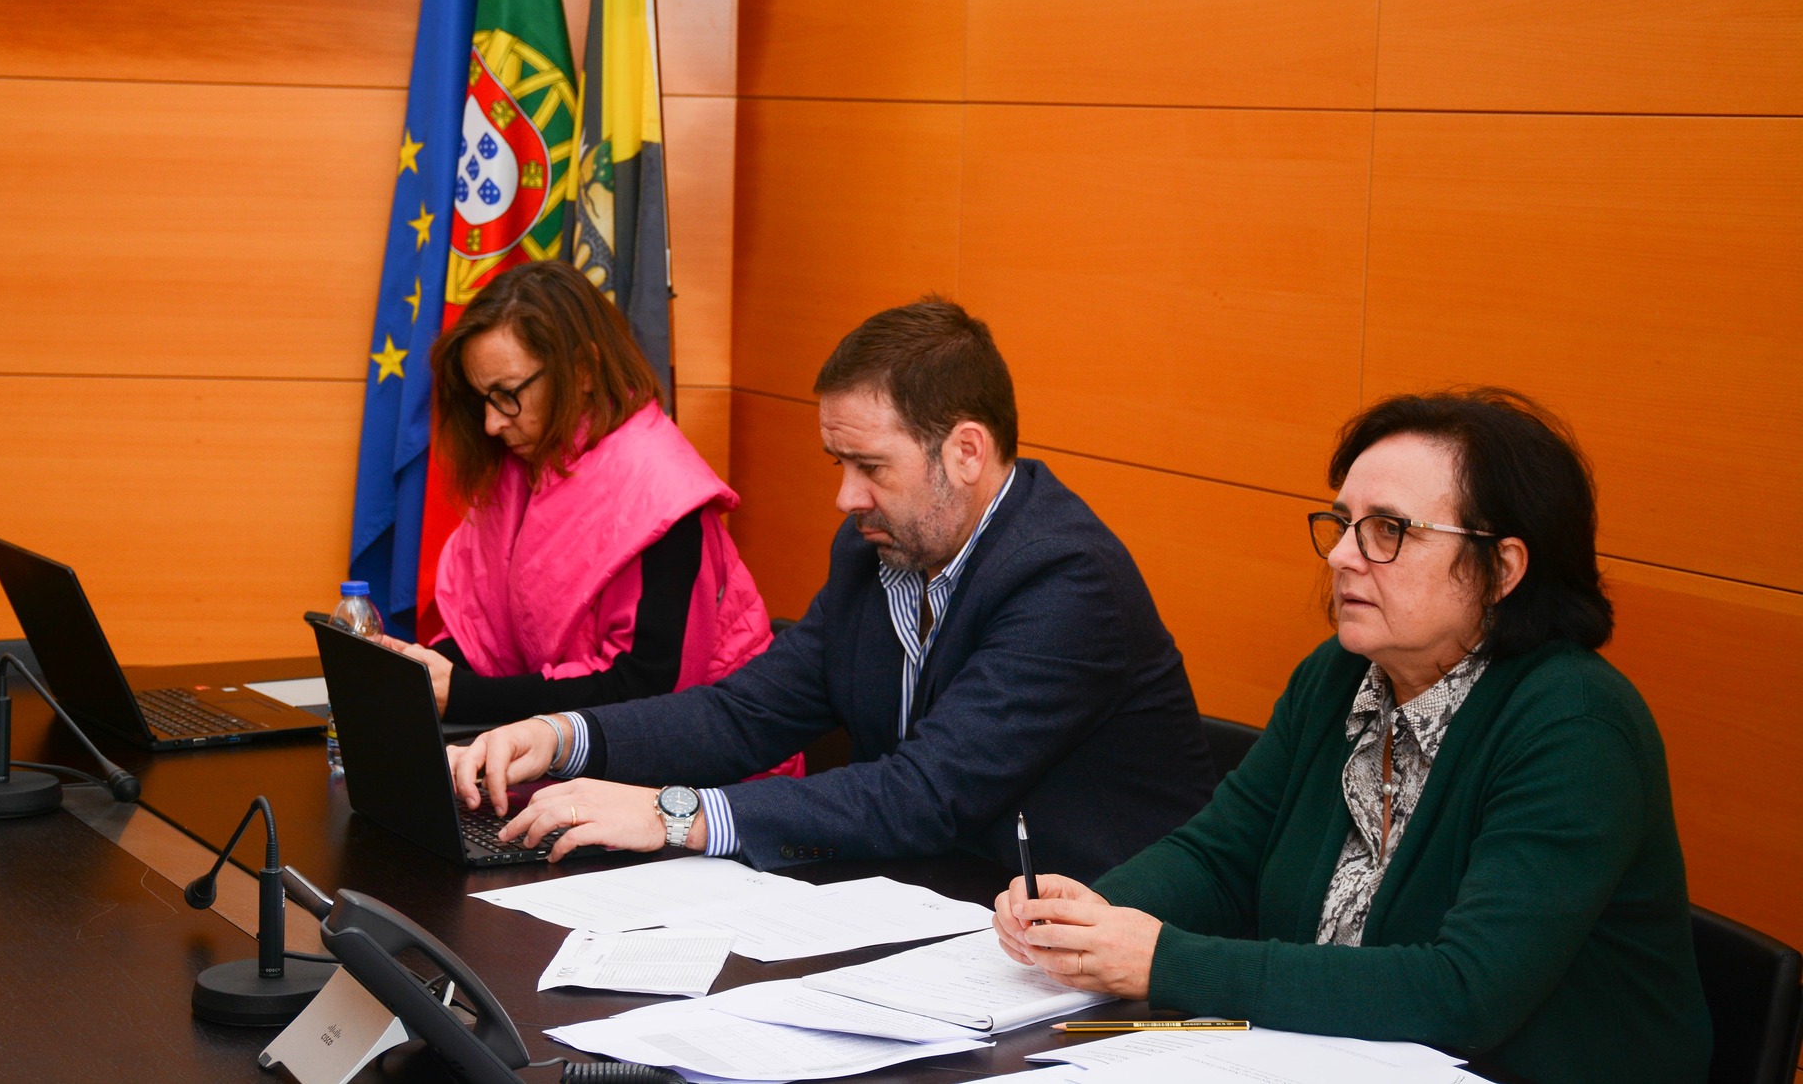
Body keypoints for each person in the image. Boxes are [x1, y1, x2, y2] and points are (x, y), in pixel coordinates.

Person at [993, 389, 1711, 1084]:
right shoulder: (1339, 675)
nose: (1341, 556)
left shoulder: (1574, 726)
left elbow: (1462, 991)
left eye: (1388, 531)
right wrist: (1086, 920)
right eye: (1342, 524)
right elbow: (1219, 857)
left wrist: (1162, 960)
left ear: (1502, 569)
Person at [447, 298, 1217, 878]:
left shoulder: (1067, 582)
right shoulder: (873, 550)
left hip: (1083, 957)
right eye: (837, 464)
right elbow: (746, 712)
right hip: (920, 912)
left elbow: (923, 794)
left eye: (871, 467)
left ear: (967, 452)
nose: (845, 498)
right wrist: (563, 735)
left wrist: (669, 812)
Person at [378, 261, 780, 728]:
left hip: (706, 770)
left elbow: (645, 690)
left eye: (507, 394)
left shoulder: (662, 488)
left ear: (583, 371)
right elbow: (483, 637)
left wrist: (466, 697)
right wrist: (421, 673)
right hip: (573, 747)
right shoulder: (522, 466)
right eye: (481, 398)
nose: (491, 423)